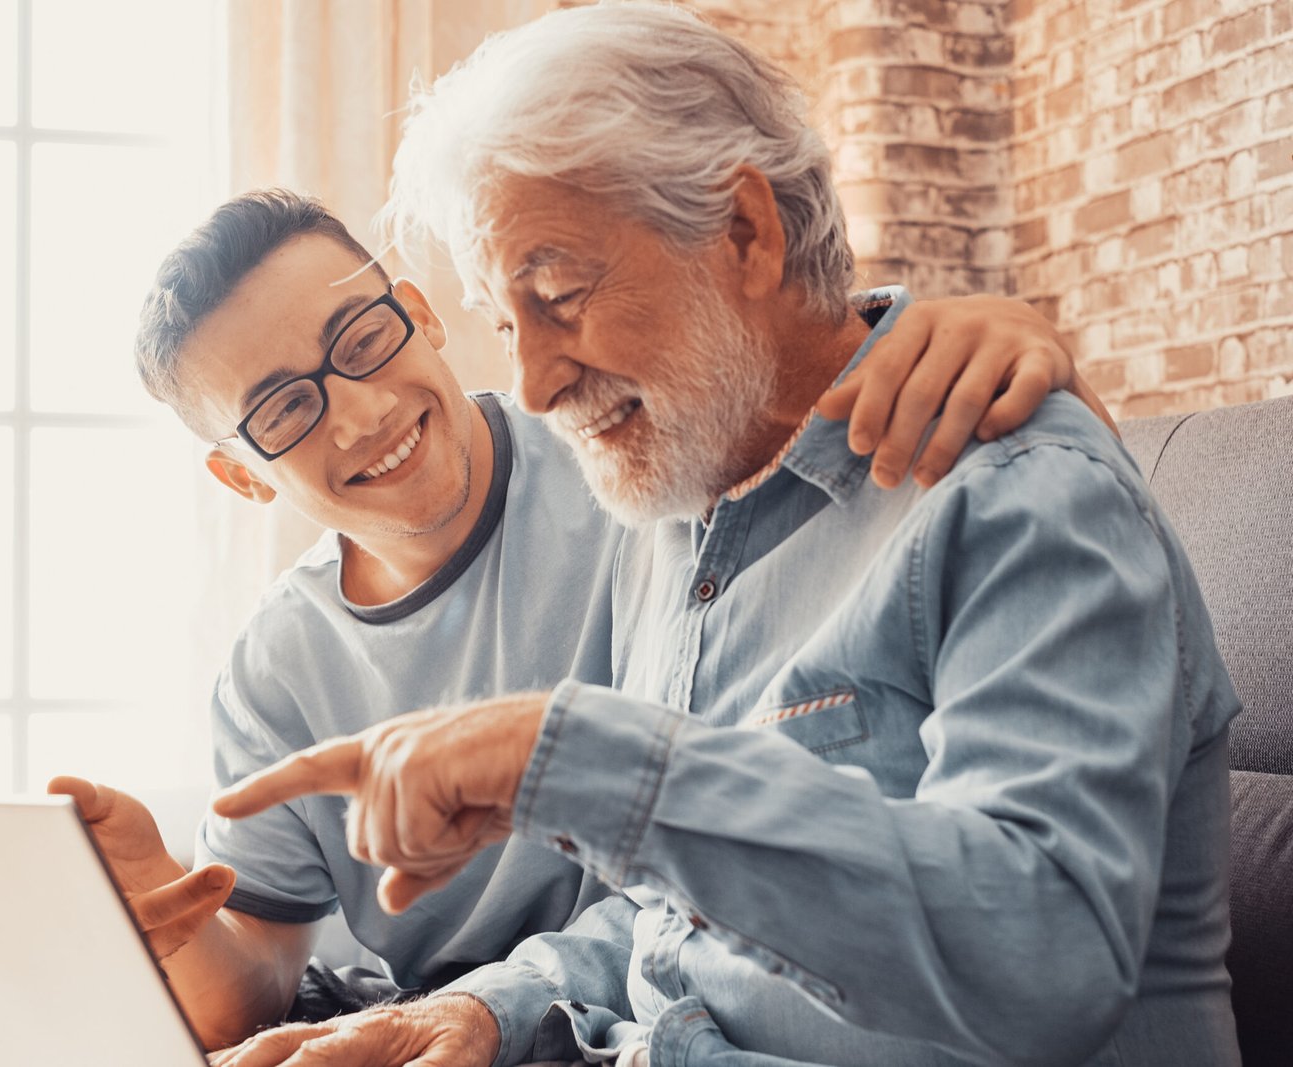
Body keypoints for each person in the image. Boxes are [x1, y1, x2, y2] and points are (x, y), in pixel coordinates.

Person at [212, 5, 1240, 1066]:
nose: (527, 380)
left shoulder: (1014, 489)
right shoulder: (672, 516)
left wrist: (582, 762)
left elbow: (1042, 955)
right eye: (505, 318)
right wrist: (488, 1009)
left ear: (745, 230)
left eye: (558, 294)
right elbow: (674, 928)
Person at [52, 186, 1100, 1057]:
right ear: (240, 473)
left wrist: (996, 337)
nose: (362, 412)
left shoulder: (633, 456)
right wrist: (157, 906)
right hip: (459, 1032)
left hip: (673, 1000)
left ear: (416, 308)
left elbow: (876, 447)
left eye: (362, 339)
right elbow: (250, 993)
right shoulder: (274, 666)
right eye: (284, 408)